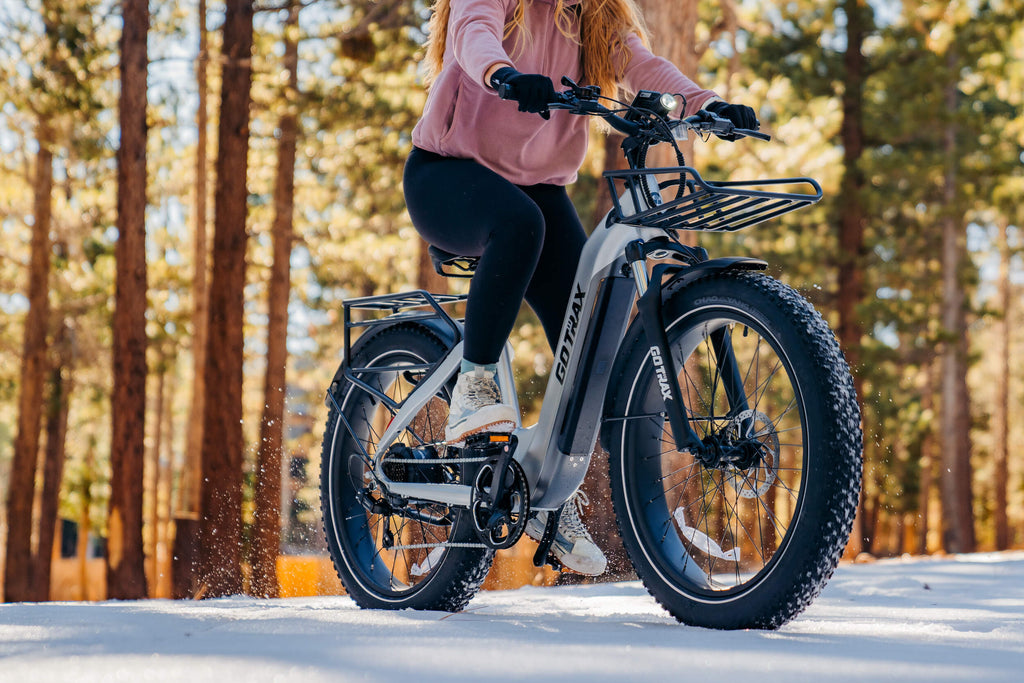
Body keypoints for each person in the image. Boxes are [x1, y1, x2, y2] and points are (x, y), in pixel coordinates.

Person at [403, 0, 756, 575]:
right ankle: (474, 383)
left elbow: (642, 63)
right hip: (447, 173)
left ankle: (544, 492)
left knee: (593, 340)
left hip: (538, 188)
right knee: (521, 226)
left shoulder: (591, 16)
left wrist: (706, 104)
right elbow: (473, 33)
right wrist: (505, 77)